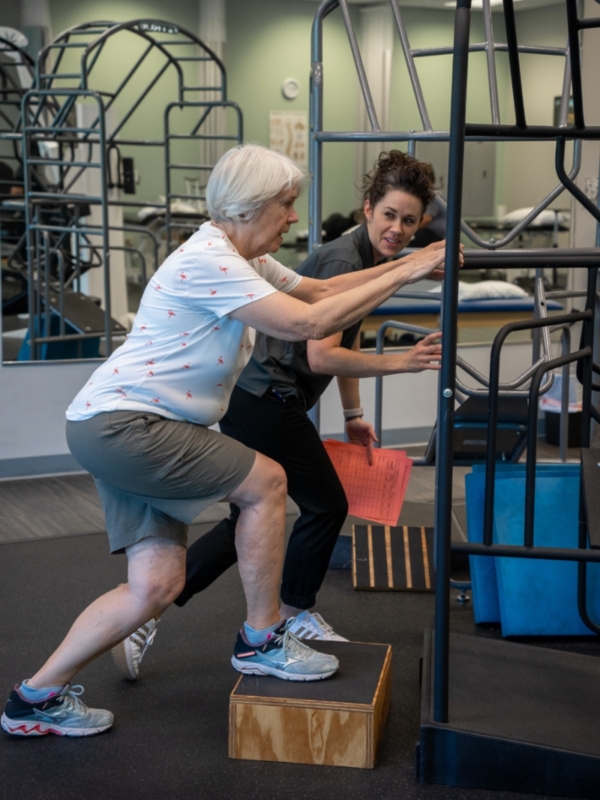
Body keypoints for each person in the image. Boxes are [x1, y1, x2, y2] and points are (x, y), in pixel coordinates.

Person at [1, 145, 447, 737]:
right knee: (267, 483)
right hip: (127, 425)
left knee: (155, 588)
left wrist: (405, 266)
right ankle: (262, 638)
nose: (293, 218)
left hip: (117, 425)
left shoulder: (245, 258)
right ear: (249, 206)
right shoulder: (211, 260)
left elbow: (315, 292)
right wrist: (410, 269)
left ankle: (34, 698)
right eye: (286, 205)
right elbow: (309, 326)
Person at [113, 150, 451, 681]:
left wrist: (355, 412)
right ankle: (291, 617)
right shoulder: (343, 258)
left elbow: (344, 332)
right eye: (389, 214)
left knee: (249, 517)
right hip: (265, 396)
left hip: (268, 396)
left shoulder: (363, 259)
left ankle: (143, 612)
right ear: (368, 208)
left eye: (410, 220)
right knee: (324, 504)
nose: (398, 228)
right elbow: (320, 346)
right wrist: (402, 360)